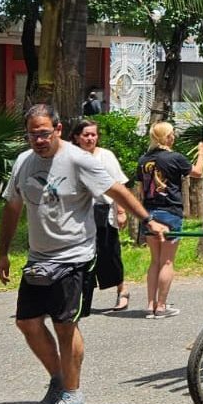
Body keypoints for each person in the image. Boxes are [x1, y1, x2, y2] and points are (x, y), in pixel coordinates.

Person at [0, 104, 166, 404]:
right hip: (39, 258)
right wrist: (2, 252)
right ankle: (60, 381)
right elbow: (13, 208)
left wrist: (147, 220)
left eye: (44, 133)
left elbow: (117, 190)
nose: (38, 140)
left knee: (64, 325)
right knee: (28, 322)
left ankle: (73, 396)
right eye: (33, 134)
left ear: (58, 130)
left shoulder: (77, 160)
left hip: (75, 256)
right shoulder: (23, 162)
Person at [137, 122, 203, 319]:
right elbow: (197, 172)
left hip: (149, 212)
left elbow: (140, 187)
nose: (174, 137)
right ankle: (161, 306)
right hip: (170, 211)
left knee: (155, 261)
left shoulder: (143, 160)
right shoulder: (174, 158)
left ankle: (150, 304)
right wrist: (202, 152)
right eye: (172, 134)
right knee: (167, 261)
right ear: (167, 137)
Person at [70, 119, 130, 311]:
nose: (90, 138)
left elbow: (118, 185)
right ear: (77, 137)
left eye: (93, 135)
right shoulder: (70, 157)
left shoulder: (106, 156)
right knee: (82, 256)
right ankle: (81, 298)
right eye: (86, 135)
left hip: (102, 210)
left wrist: (120, 211)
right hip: (78, 213)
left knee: (109, 252)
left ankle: (122, 291)